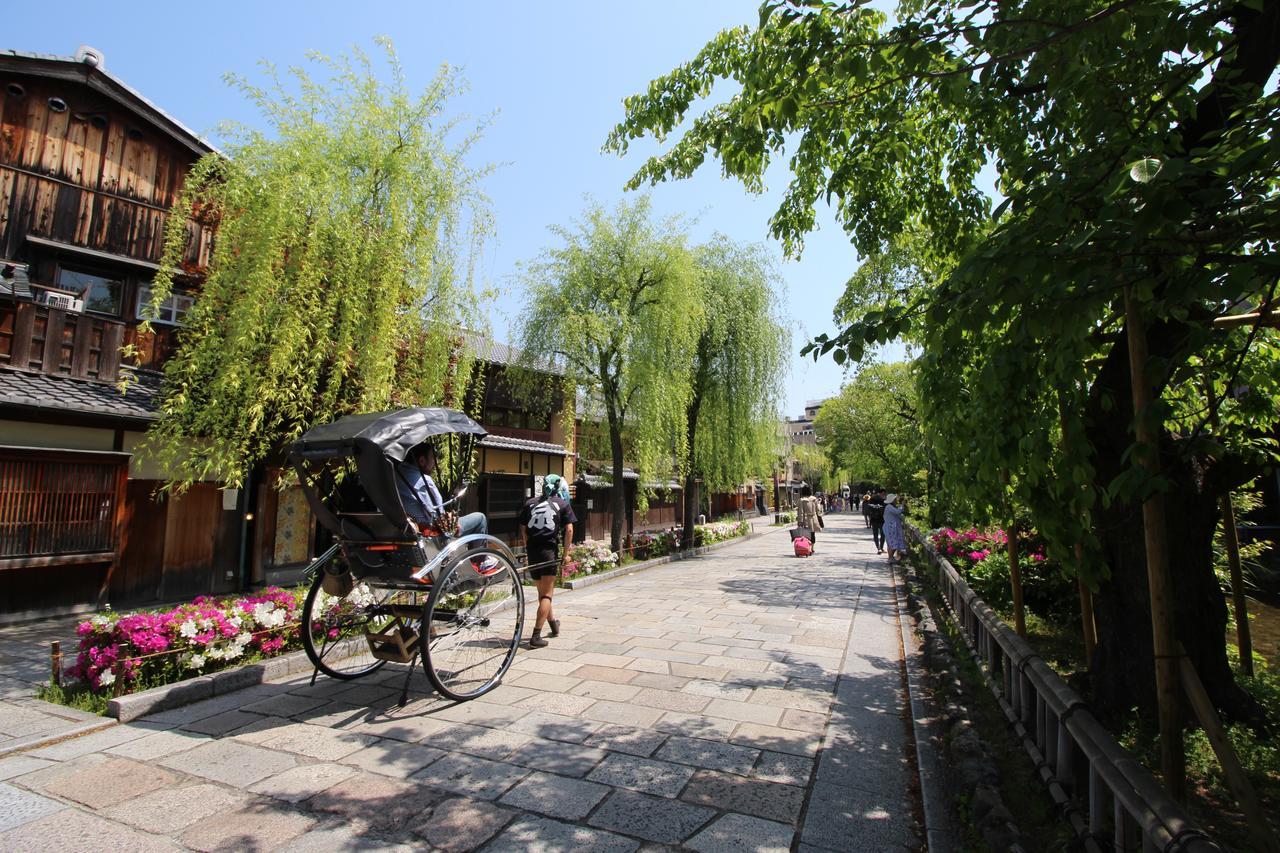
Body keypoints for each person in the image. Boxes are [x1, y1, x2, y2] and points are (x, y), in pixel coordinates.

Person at [518, 474, 577, 648]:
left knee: (542, 593)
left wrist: (526, 547)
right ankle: (536, 636)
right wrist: (566, 553)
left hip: (533, 550)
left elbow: (523, 528)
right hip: (548, 551)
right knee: (547, 595)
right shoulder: (562, 504)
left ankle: (553, 623)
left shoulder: (530, 503)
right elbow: (570, 530)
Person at [395, 443, 488, 538]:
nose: (435, 463)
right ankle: (479, 552)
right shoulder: (425, 481)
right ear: (422, 461)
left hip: (405, 529)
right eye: (432, 457)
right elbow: (436, 516)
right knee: (480, 518)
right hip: (431, 532)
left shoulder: (395, 476)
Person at [796, 484, 824, 552]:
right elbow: (818, 510)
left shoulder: (802, 500)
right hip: (813, 518)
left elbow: (800, 512)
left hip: (806, 518)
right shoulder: (814, 499)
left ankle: (806, 547)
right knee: (812, 533)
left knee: (805, 534)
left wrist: (800, 521)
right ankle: (812, 547)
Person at [883, 493, 907, 563]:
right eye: (895, 499)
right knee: (892, 542)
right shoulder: (889, 507)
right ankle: (890, 558)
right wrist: (902, 505)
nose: (896, 500)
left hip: (892, 526)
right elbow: (898, 512)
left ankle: (890, 558)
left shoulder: (890, 506)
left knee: (892, 542)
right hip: (891, 527)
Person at [865, 489, 886, 554]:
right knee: (883, 534)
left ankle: (878, 548)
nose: (884, 495)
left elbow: (869, 508)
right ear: (881, 493)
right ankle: (881, 547)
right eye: (884, 493)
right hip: (881, 519)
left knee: (875, 534)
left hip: (873, 519)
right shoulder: (883, 500)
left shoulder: (872, 499)